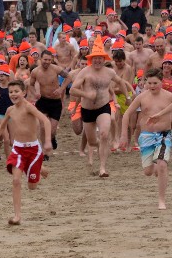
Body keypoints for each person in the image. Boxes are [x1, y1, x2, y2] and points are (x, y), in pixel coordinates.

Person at [0, 79, 51, 225]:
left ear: (24, 92)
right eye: (11, 92)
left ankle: (39, 167)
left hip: (34, 150)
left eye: (16, 91)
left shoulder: (29, 107)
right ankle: (17, 216)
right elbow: (1, 127)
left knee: (32, 187)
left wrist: (47, 141)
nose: (13, 94)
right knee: (16, 180)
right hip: (18, 149)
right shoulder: (10, 110)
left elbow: (45, 121)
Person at [69, 41, 122, 178]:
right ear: (91, 59)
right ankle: (101, 147)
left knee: (104, 134)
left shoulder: (109, 72)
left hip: (103, 107)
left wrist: (127, 95)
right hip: (87, 109)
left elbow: (120, 81)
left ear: (104, 59)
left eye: (100, 58)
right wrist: (86, 94)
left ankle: (102, 168)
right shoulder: (84, 72)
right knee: (93, 141)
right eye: (95, 58)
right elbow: (73, 90)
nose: (98, 60)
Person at [122, 68, 172, 209]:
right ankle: (157, 168)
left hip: (164, 134)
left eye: (155, 83)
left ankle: (161, 200)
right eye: (149, 83)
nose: (152, 86)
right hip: (146, 136)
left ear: (161, 82)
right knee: (148, 171)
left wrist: (160, 114)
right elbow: (126, 114)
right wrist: (124, 136)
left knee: (162, 164)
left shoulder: (168, 96)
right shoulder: (142, 97)